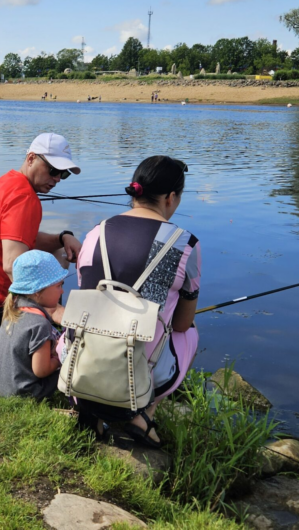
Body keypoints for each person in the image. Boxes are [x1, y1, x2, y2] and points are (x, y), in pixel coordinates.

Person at [71, 155, 200, 448]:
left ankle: (91, 410)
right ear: (170, 198)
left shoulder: (95, 232)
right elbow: (180, 323)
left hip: (79, 363)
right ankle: (143, 414)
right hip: (135, 374)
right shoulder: (184, 244)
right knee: (189, 331)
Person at [0, 133, 83, 375]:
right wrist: (50, 311)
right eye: (53, 170)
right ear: (31, 158)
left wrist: (61, 238)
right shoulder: (24, 197)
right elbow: (12, 264)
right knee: (66, 340)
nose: (56, 179)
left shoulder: (8, 182)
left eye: (62, 174)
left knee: (54, 266)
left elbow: (24, 237)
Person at [0, 250, 66, 400]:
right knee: (70, 371)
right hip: (25, 393)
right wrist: (60, 356)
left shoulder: (13, 311)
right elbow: (41, 370)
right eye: (59, 285)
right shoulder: (39, 324)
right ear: (38, 292)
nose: (62, 291)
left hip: (2, 388)